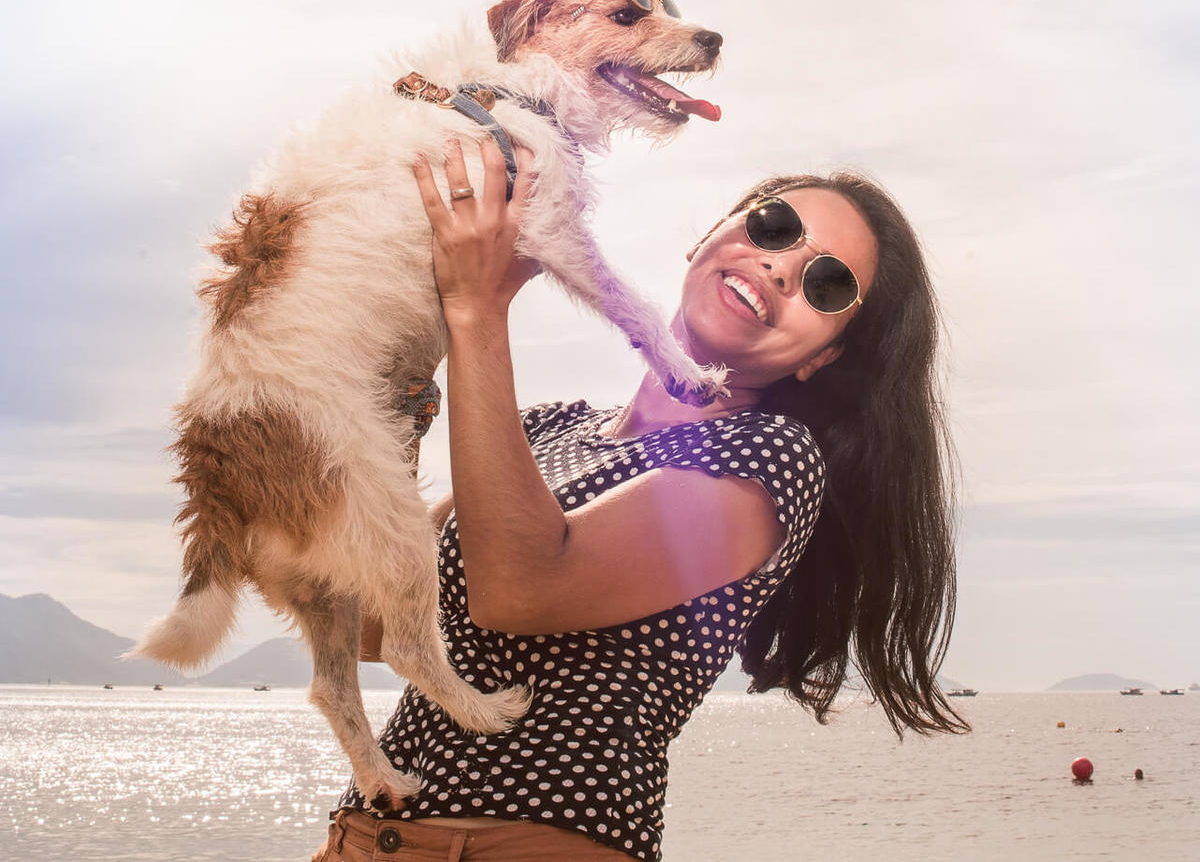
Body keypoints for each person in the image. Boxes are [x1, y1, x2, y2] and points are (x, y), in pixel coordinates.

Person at [312, 135, 965, 861]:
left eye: (827, 284)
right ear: (709, 235)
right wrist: (380, 397)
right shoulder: (546, 431)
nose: (780, 266)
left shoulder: (771, 460)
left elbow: (521, 586)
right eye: (774, 226)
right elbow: (372, 624)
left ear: (824, 354)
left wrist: (476, 305)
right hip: (366, 836)